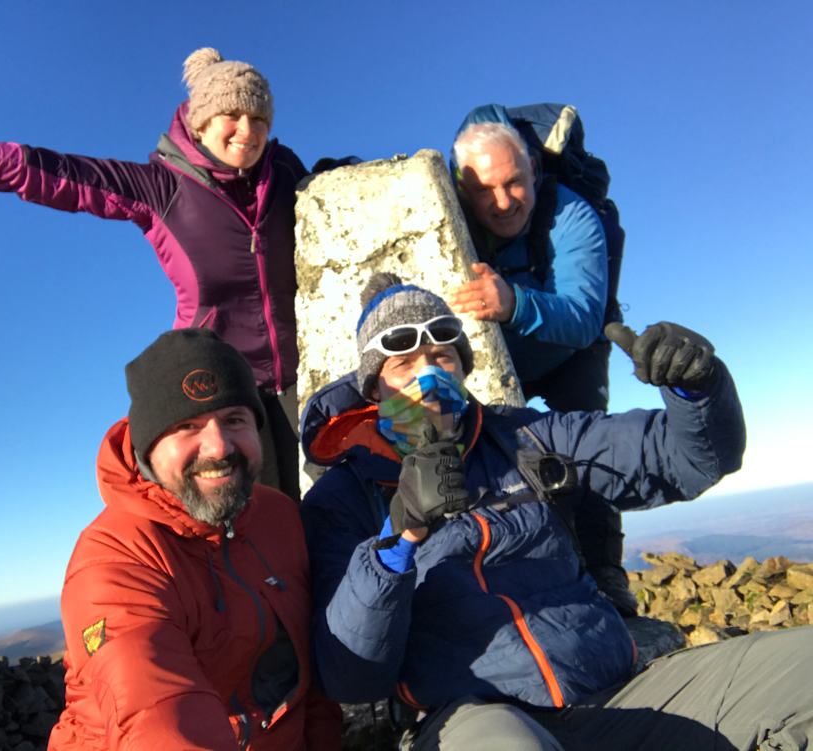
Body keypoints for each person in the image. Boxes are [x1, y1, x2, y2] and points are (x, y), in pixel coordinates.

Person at [300, 274, 812, 749]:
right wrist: (402, 532)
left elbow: (690, 458)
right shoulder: (343, 498)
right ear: (374, 388)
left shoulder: (527, 438)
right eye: (403, 365)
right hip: (480, 715)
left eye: (443, 356)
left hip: (622, 691)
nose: (429, 376)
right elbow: (352, 673)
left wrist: (696, 388)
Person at [0, 47, 307, 500]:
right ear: (201, 122)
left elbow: (324, 195)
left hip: (300, 374)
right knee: (257, 523)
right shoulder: (161, 187)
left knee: (325, 512)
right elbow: (43, 171)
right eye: (232, 114)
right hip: (220, 390)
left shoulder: (283, 171)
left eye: (259, 118)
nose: (247, 131)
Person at [48, 328, 341, 751]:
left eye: (234, 420)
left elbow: (307, 677)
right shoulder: (115, 561)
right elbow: (159, 721)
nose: (218, 446)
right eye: (187, 426)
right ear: (148, 448)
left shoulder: (276, 516)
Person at [447, 119, 633, 613]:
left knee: (589, 438)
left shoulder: (572, 216)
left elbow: (583, 318)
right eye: (485, 189)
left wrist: (514, 305)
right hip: (498, 351)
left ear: (533, 169)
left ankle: (605, 571)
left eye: (513, 183)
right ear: (462, 185)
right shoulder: (445, 211)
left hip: (570, 347)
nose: (503, 202)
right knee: (489, 451)